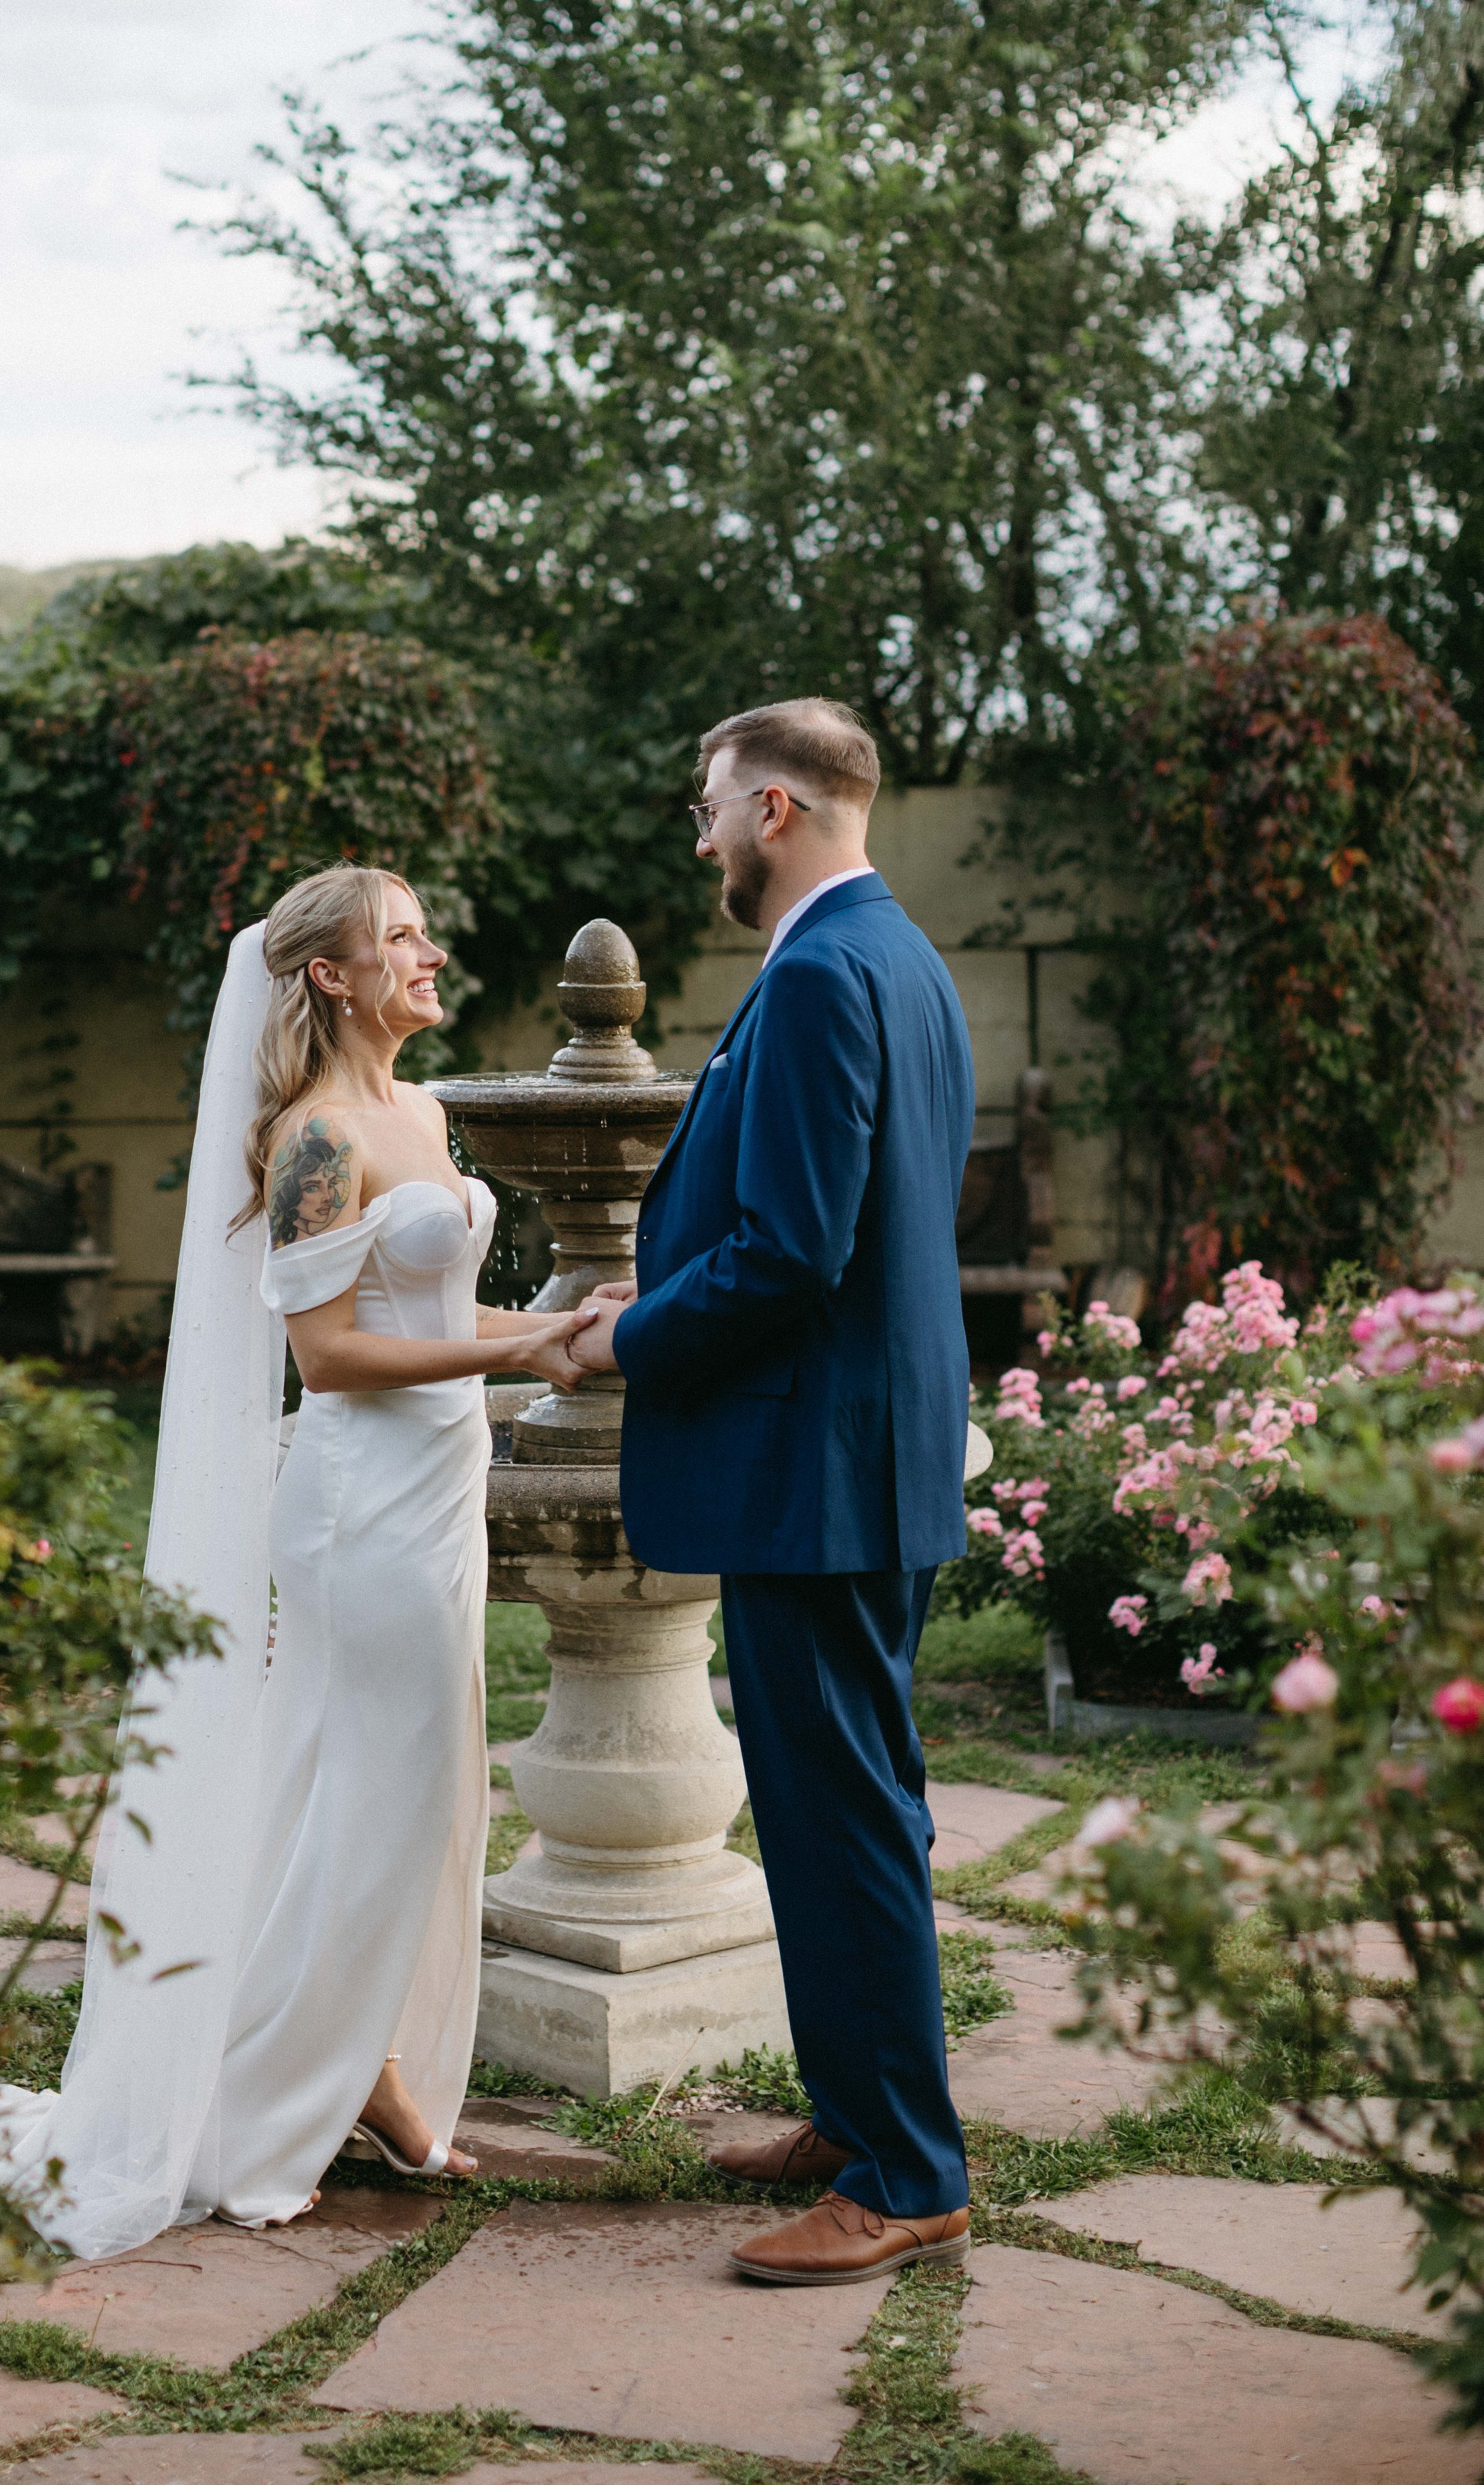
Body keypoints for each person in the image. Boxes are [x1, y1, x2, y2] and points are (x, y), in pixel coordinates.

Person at [0, 867, 589, 2254]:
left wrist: (558, 1330)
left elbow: (437, 1311)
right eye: (402, 936)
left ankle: (367, 2067)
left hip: (440, 1488)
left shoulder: (426, 1110)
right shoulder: (311, 1139)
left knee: (413, 1796)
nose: (432, 951)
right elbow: (328, 1356)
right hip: (357, 1507)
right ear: (332, 974)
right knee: (376, 1798)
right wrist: (520, 1346)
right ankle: (283, 2097)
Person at [564, 698, 975, 2286]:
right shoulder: (901, 958)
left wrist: (628, 1338)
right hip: (864, 1457)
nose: (703, 839)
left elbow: (793, 1252)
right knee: (834, 1806)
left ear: (778, 809)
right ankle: (856, 2115)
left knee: (841, 1813)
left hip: (816, 1474)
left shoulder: (815, 973)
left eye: (712, 806)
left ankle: (903, 2176)